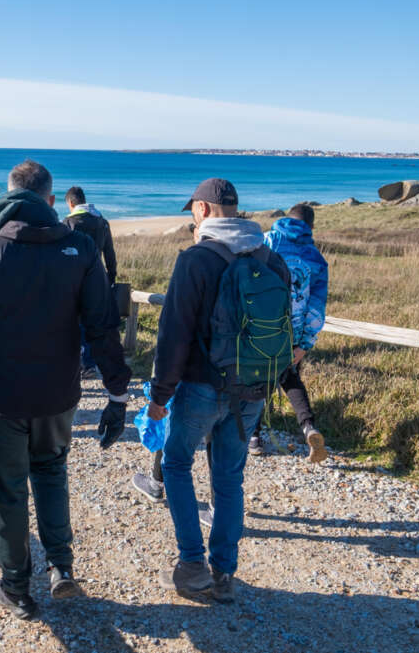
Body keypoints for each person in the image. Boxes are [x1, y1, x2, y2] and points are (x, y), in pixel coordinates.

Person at [0, 160, 132, 620]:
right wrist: (117, 395)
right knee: (51, 473)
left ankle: (16, 587)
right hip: (58, 396)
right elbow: (103, 327)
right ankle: (61, 567)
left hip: (1, 398)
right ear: (50, 200)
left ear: (6, 196)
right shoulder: (81, 248)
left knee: (9, 490)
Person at [148, 178, 291, 604]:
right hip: (253, 390)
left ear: (205, 210)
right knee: (228, 479)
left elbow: (173, 334)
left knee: (175, 464)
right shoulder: (271, 257)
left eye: (193, 208)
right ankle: (224, 573)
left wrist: (159, 395)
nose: (192, 215)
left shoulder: (196, 260)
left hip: (201, 389)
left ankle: (192, 565)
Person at [249, 203, 329, 462]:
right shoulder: (316, 258)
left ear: (285, 219)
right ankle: (309, 428)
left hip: (262, 328)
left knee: (258, 381)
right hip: (292, 335)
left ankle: (253, 437)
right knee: (291, 378)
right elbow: (316, 307)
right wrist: (305, 344)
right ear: (311, 227)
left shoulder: (265, 242)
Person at [63, 187, 118, 379]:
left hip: (74, 277)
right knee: (93, 321)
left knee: (73, 321)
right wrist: (111, 277)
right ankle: (90, 362)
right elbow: (110, 253)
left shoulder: (69, 222)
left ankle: (78, 363)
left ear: (71, 203)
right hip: (98, 277)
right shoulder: (102, 222)